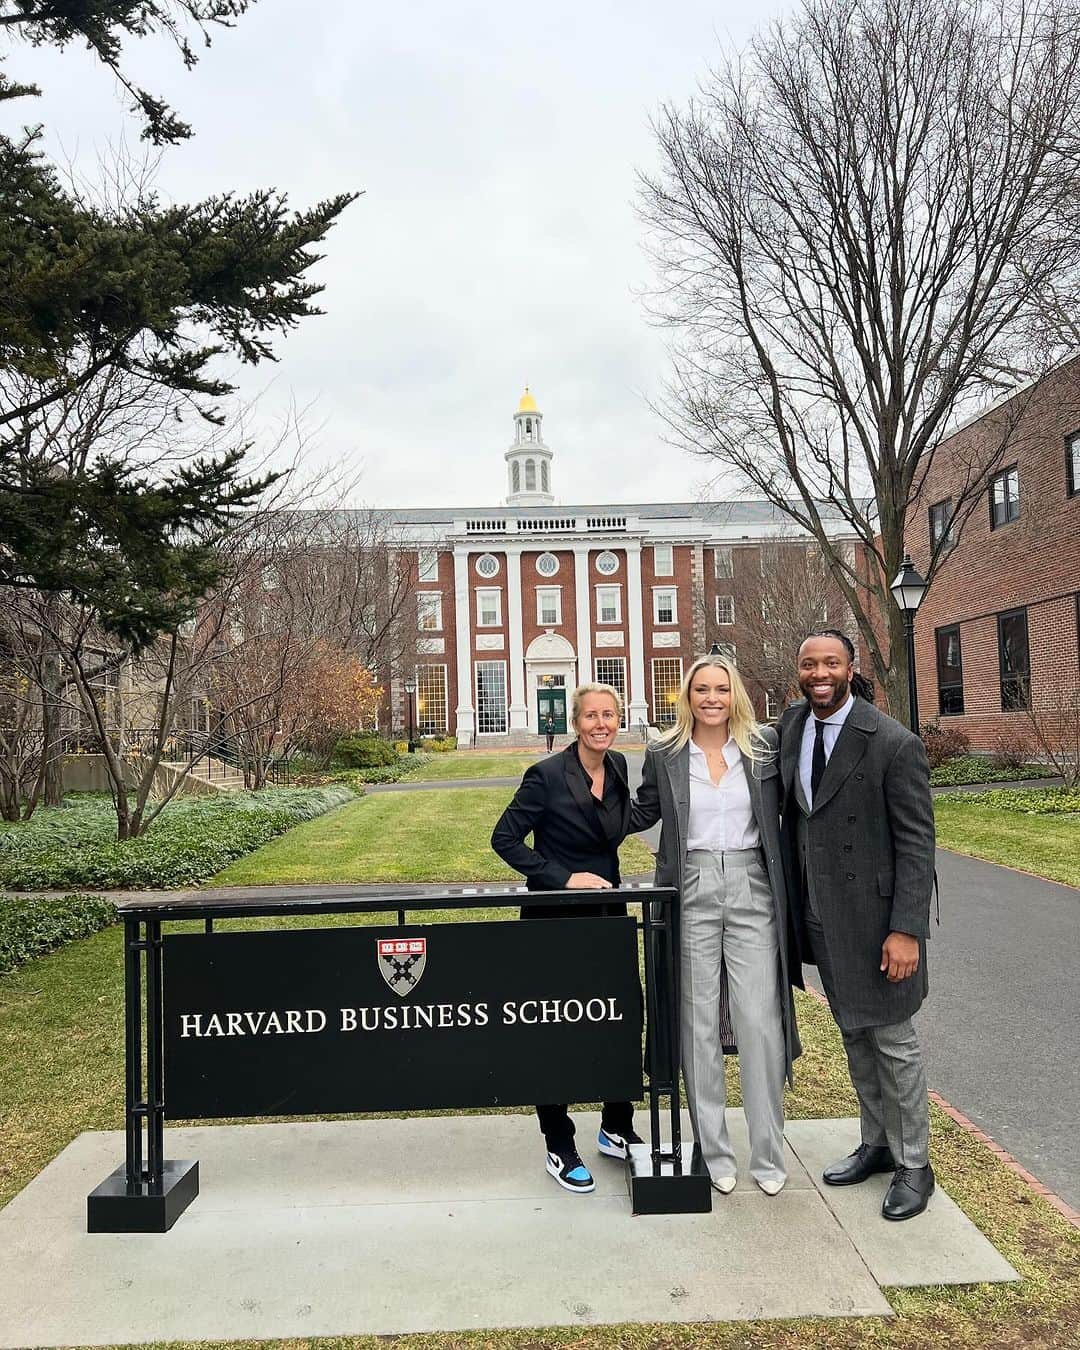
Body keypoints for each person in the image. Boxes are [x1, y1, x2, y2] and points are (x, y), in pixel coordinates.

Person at [779, 630, 936, 1221]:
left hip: (878, 924)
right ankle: (876, 1143)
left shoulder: (892, 742)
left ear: (851, 668)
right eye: (809, 663)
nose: (819, 672)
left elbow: (918, 845)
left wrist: (907, 930)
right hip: (821, 918)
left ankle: (915, 1164)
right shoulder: (793, 727)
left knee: (894, 1042)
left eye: (831, 663)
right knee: (854, 1035)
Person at [631, 654, 802, 1196]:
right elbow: (637, 812)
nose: (711, 698)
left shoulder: (763, 748)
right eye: (701, 689)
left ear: (736, 696)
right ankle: (715, 1150)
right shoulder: (664, 753)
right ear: (686, 695)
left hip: (753, 885)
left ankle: (770, 1155)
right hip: (692, 886)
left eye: (721, 689)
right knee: (697, 1022)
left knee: (759, 1020)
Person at [491, 682, 641, 1193]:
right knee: (555, 1029)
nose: (602, 724)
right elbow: (504, 839)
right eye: (592, 716)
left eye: (610, 715)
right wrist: (562, 877)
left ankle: (616, 1126)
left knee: (622, 1017)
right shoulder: (546, 775)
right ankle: (559, 1142)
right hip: (554, 920)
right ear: (575, 722)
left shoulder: (618, 767)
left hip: (608, 915)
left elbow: (621, 823)